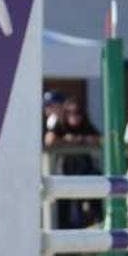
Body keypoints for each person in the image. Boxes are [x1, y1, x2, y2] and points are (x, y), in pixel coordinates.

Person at [46, 97, 101, 228]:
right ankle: (63, 231)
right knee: (63, 206)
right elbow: (49, 140)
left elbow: (99, 139)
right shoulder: (60, 125)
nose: (74, 117)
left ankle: (98, 223)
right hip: (64, 172)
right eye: (70, 113)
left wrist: (82, 139)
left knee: (96, 186)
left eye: (77, 113)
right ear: (65, 114)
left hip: (84, 172)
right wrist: (66, 141)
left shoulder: (86, 126)